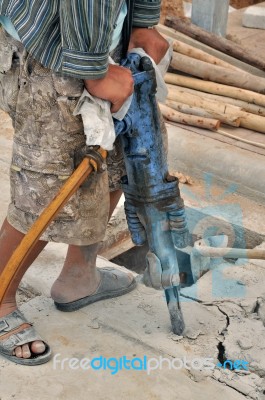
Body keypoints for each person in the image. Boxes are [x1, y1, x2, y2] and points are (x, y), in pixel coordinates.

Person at [0, 0, 169, 365]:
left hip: (100, 34)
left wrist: (142, 20)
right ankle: (0, 299)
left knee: (123, 153)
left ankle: (79, 276)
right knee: (49, 187)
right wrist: (93, 71)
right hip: (52, 50)